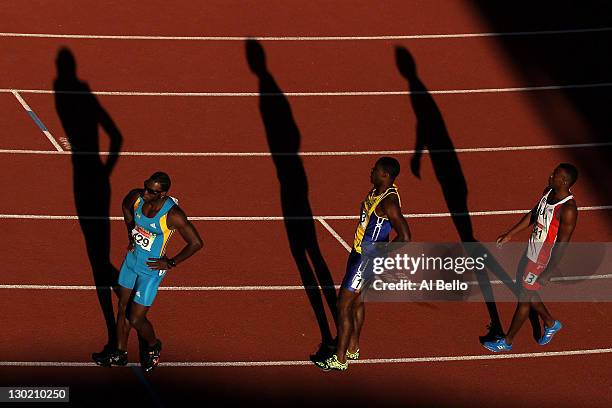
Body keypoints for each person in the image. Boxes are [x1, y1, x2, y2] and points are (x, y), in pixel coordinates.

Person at [93, 172, 203, 370]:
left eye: (151, 191)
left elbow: (196, 243)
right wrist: (131, 234)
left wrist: (171, 263)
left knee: (135, 318)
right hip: (131, 262)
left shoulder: (173, 215)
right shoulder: (136, 198)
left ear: (162, 194)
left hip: (150, 271)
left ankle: (153, 346)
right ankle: (119, 353)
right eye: (145, 186)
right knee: (122, 307)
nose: (145, 192)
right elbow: (125, 206)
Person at [314, 157, 411, 371]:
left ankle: (339, 359)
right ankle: (352, 348)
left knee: (343, 305)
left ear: (385, 174)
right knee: (358, 302)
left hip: (367, 258)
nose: (371, 172)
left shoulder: (389, 202)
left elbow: (405, 236)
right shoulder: (379, 190)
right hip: (360, 252)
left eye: (375, 170)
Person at [483, 163, 578, 352]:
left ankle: (507, 341)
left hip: (541, 259)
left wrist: (548, 271)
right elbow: (534, 213)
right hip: (531, 249)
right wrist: (511, 233)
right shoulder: (548, 192)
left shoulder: (567, 210)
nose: (551, 176)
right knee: (524, 288)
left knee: (524, 297)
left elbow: (562, 245)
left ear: (565, 181)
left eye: (555, 175)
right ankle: (551, 323)